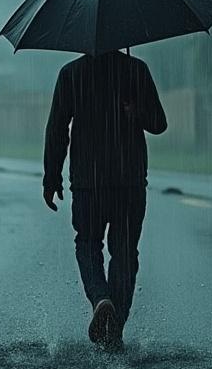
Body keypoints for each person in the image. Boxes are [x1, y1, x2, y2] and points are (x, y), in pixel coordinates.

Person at [43, 48, 166, 349]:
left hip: (88, 182)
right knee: (125, 252)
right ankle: (116, 327)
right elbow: (159, 123)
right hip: (129, 181)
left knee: (87, 244)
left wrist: (52, 177)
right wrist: (136, 112)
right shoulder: (136, 70)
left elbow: (58, 129)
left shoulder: (72, 73)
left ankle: (101, 299)